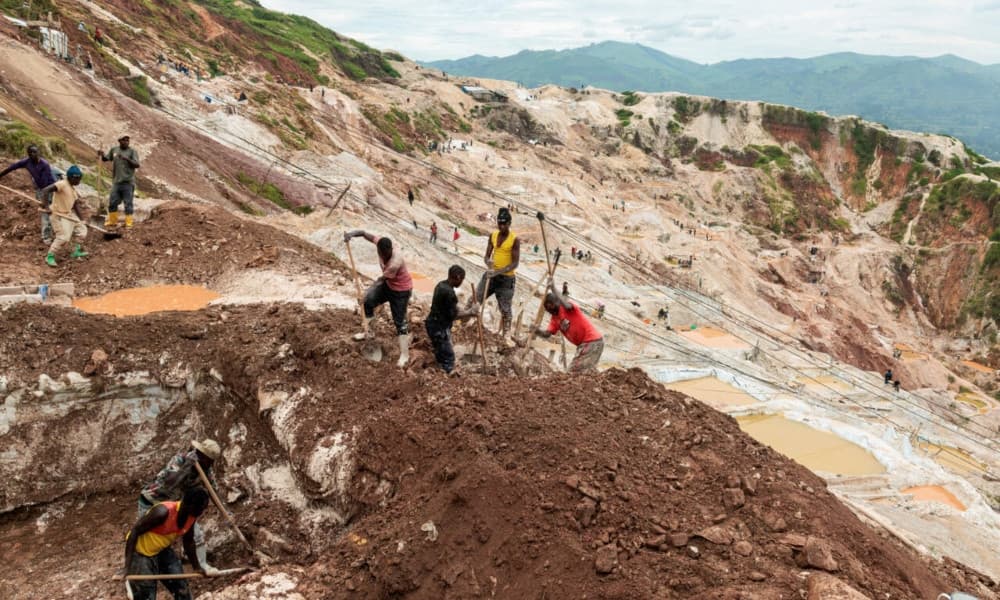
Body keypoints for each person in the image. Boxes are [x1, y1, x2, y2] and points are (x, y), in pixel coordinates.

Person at [138, 439, 222, 576]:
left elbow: (214, 492)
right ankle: (136, 574)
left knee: (195, 534)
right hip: (152, 500)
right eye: (207, 459)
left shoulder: (206, 470)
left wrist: (226, 512)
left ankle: (201, 565)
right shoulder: (180, 460)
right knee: (147, 538)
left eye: (211, 461)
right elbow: (169, 483)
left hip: (176, 506)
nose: (210, 464)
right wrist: (187, 468)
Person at [123, 486, 211, 600]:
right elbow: (134, 532)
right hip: (140, 552)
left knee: (181, 588)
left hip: (161, 550)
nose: (202, 512)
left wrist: (197, 567)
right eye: (201, 509)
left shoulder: (191, 516)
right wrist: (127, 566)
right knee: (145, 595)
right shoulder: (162, 512)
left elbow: (188, 541)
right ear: (190, 506)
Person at [343, 230, 414, 367]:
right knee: (368, 302)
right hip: (389, 285)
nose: (383, 257)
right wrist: (351, 235)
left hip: (401, 290)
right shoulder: (381, 243)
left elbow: (380, 280)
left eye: (386, 255)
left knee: (400, 323)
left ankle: (405, 354)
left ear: (390, 250)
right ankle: (369, 332)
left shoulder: (395, 262)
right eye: (382, 254)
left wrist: (365, 293)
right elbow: (364, 233)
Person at [535, 280, 604, 372]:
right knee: (585, 372)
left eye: (552, 305)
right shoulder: (554, 319)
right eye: (548, 307)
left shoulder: (567, 308)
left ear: (557, 302)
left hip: (591, 342)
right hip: (587, 344)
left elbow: (566, 304)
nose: (550, 309)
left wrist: (554, 288)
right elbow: (547, 334)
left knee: (572, 373)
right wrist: (536, 331)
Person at [473, 207, 520, 338]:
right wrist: (488, 263)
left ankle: (506, 336)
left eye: (504, 223)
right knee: (476, 299)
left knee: (505, 310)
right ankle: (464, 322)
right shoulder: (493, 235)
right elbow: (487, 256)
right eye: (499, 223)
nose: (501, 226)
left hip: (506, 279)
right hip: (491, 276)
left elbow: (515, 264)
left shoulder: (514, 240)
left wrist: (498, 272)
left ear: (509, 224)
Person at [425, 265, 479, 374]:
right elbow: (454, 316)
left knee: (441, 349)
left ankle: (439, 362)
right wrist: (471, 312)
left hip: (432, 323)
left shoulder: (440, 285)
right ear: (458, 278)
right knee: (449, 358)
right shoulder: (449, 293)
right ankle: (445, 375)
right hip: (439, 328)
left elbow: (450, 307)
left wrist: (465, 311)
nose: (462, 282)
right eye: (462, 279)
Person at [0, 144, 58, 242]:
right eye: (31, 152)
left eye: (35, 152)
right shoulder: (26, 162)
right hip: (40, 190)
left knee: (51, 211)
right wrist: (1, 175)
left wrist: (51, 194)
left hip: (50, 188)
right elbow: (12, 167)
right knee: (46, 213)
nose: (34, 154)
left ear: (39, 152)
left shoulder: (44, 164)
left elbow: (48, 182)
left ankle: (53, 233)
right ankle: (46, 237)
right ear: (28, 154)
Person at [38, 165, 87, 267]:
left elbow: (75, 205)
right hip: (57, 214)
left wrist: (82, 219)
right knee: (63, 238)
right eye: (78, 179)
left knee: (82, 230)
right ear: (71, 177)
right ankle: (50, 256)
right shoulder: (62, 184)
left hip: (68, 214)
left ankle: (76, 251)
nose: (79, 181)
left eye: (80, 179)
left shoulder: (72, 189)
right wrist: (46, 206)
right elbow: (45, 190)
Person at [99, 135, 140, 228]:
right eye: (124, 140)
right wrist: (101, 155)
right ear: (119, 141)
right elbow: (106, 159)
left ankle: (129, 222)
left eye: (127, 140)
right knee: (112, 202)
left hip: (128, 182)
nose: (126, 142)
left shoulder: (132, 151)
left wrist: (126, 159)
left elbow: (137, 165)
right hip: (116, 182)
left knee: (128, 203)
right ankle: (112, 221)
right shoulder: (114, 150)